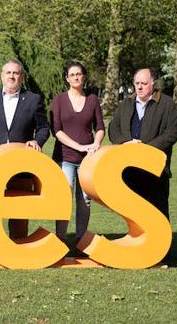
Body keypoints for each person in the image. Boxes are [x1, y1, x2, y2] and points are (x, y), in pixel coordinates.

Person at [0, 60, 50, 241]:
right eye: (8, 72)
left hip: (21, 162)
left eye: (16, 73)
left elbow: (43, 128)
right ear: (2, 76)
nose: (12, 76)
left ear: (22, 77)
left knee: (19, 206)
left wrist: (37, 140)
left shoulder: (34, 99)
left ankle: (17, 243)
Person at [109, 68, 177, 222]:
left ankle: (161, 245)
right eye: (137, 83)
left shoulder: (167, 104)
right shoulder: (126, 103)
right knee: (134, 214)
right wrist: (126, 142)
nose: (140, 87)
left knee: (158, 212)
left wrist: (145, 150)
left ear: (153, 84)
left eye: (144, 83)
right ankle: (138, 243)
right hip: (129, 168)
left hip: (155, 169)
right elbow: (113, 129)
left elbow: (171, 134)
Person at [50, 61, 104, 245]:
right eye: (72, 74)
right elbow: (56, 131)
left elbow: (100, 127)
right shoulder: (58, 100)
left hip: (87, 159)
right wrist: (79, 146)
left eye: (79, 74)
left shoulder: (92, 99)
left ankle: (81, 240)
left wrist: (96, 144)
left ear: (84, 76)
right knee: (65, 196)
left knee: (85, 200)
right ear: (67, 78)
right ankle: (60, 239)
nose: (76, 77)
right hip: (65, 158)